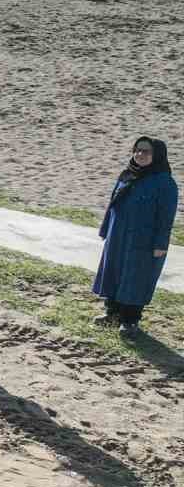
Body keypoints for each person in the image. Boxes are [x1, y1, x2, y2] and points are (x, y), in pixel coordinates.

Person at [93, 137, 176, 337]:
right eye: (137, 150)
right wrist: (106, 229)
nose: (140, 154)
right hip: (118, 236)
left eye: (146, 151)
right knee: (113, 271)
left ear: (156, 155)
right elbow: (113, 204)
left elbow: (166, 217)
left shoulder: (165, 183)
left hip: (144, 241)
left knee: (137, 278)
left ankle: (130, 320)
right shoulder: (126, 176)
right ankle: (112, 313)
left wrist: (160, 244)